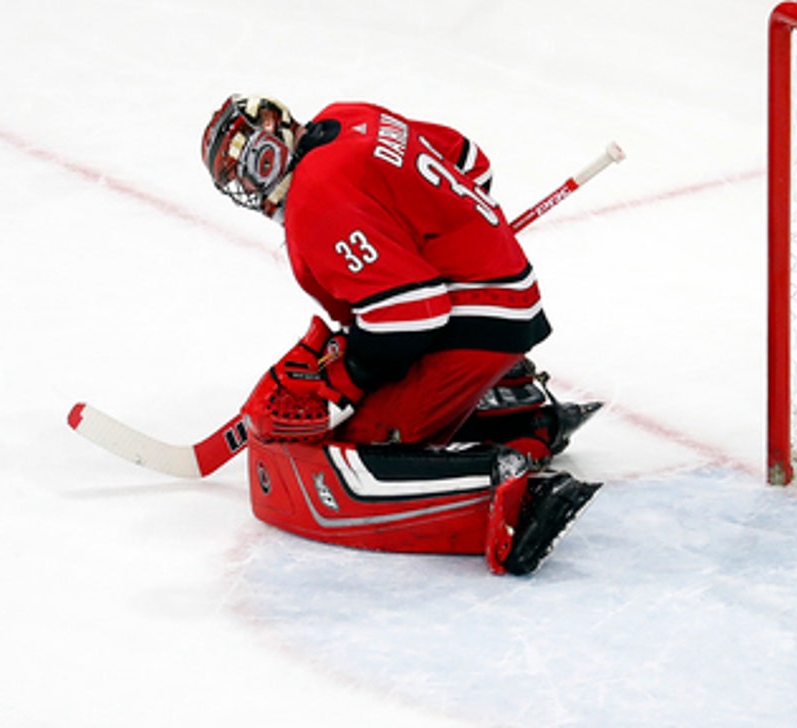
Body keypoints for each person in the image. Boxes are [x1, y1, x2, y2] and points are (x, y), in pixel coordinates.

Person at [200, 94, 601, 574]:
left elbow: (414, 314)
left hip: (476, 320)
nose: (252, 186)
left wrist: (345, 385)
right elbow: (469, 160)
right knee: (388, 350)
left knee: (356, 438)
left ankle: (510, 480)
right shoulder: (346, 116)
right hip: (494, 301)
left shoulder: (313, 197)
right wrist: (453, 235)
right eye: (239, 179)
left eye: (254, 166)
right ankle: (514, 408)